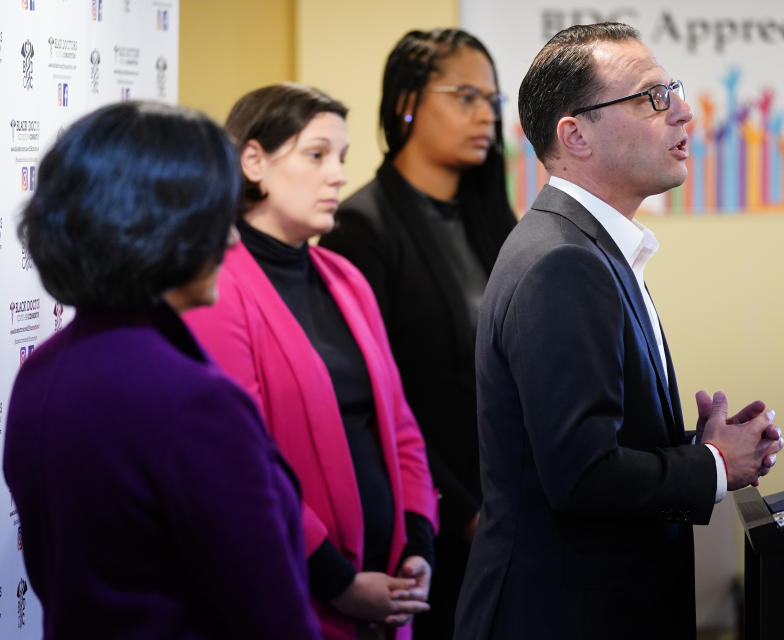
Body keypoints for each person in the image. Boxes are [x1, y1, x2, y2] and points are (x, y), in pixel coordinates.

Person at [454, 23, 784, 639]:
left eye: (674, 90)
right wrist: (712, 465)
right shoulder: (564, 261)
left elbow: (585, 440)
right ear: (575, 135)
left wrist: (695, 447)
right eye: (651, 97)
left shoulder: (586, 246)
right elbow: (582, 474)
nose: (683, 111)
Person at [3, 101, 321, 639]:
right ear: (160, 226)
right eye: (215, 217)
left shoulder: (43, 371)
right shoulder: (193, 402)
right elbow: (272, 616)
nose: (231, 239)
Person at [183, 83, 438, 640]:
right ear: (253, 161)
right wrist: (338, 581)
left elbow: (400, 428)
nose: (339, 175)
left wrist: (419, 545)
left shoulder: (345, 278)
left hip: (388, 593)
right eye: (317, 154)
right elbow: (241, 463)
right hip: (297, 598)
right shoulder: (217, 286)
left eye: (343, 158)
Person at [319, 28, 516, 639]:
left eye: (493, 101)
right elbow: (381, 402)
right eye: (465, 96)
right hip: (435, 528)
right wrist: (462, 515)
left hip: (516, 511)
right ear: (407, 102)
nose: (485, 114)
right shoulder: (360, 229)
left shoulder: (496, 221)